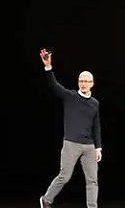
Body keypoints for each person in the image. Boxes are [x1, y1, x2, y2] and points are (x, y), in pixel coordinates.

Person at [39, 48, 102, 208]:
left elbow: (96, 126)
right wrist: (48, 67)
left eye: (87, 81)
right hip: (71, 144)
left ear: (92, 84)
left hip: (89, 146)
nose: (83, 83)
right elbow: (54, 85)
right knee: (64, 176)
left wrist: (98, 148)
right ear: (78, 83)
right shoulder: (71, 97)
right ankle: (46, 200)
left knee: (92, 180)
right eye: (81, 80)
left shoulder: (95, 103)